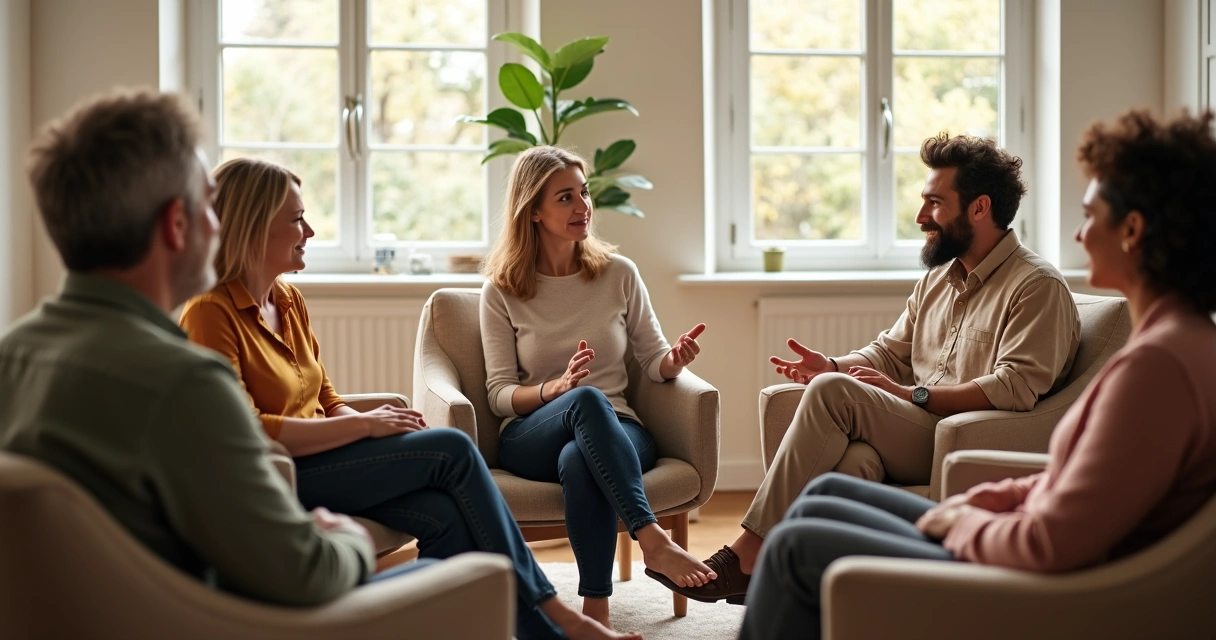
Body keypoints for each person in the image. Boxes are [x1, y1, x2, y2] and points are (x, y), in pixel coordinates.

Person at [738, 109, 1216, 639]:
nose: (1079, 234)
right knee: (824, 496)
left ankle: (752, 556)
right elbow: (1091, 485)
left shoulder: (1158, 369)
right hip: (1023, 544)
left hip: (1048, 589)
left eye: (1089, 214)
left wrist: (963, 521)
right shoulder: (1174, 344)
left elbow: (1051, 543)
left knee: (793, 545)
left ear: (1132, 230)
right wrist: (1002, 496)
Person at [176, 156, 638, 640]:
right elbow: (244, 431)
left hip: (331, 459)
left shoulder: (287, 300)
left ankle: (522, 633)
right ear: (252, 228)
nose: (310, 230)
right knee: (452, 449)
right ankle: (557, 614)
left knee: (446, 515)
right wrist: (363, 426)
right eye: (296, 219)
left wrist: (361, 415)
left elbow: (324, 395)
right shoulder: (210, 312)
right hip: (282, 476)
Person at [665, 133, 1082, 604]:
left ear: (980, 208)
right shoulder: (937, 281)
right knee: (851, 463)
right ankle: (818, 587)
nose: (922, 217)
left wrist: (908, 395)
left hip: (968, 437)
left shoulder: (1036, 286)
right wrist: (834, 363)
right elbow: (890, 352)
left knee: (831, 392)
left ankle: (748, 553)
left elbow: (1015, 388)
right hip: (918, 427)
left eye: (934, 203)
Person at [0, 89, 374, 606]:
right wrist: (350, 541)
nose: (220, 227)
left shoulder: (11, 355)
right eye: (209, 207)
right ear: (177, 225)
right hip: (223, 620)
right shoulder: (184, 382)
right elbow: (303, 574)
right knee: (470, 579)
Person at [480, 146, 714, 627]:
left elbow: (653, 362)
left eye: (584, 193)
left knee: (579, 459)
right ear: (534, 212)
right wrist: (555, 389)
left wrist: (675, 361)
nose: (583, 206)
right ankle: (652, 540)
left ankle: (595, 611)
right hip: (531, 433)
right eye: (565, 197)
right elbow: (499, 393)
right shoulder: (501, 289)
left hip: (619, 430)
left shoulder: (618, 274)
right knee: (583, 398)